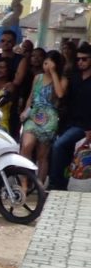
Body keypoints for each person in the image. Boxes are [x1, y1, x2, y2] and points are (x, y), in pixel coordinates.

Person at [20, 48, 65, 189]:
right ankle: (24, 181)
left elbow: (60, 94)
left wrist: (53, 73)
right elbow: (31, 96)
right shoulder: (37, 77)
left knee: (42, 155)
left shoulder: (62, 79)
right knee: (26, 146)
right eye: (45, 63)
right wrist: (25, 111)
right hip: (34, 115)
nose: (47, 67)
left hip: (49, 119)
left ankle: (38, 185)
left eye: (50, 64)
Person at [49, 40, 91, 191]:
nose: (80, 62)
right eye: (78, 59)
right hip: (68, 120)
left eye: (84, 59)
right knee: (64, 150)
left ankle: (55, 182)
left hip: (84, 124)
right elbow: (61, 93)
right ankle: (60, 185)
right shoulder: (73, 75)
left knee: (59, 146)